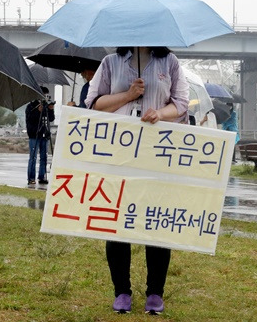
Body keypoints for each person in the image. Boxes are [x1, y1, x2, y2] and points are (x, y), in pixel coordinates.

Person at [86, 46, 189, 315]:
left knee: (156, 221)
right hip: (119, 153)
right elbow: (94, 103)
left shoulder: (170, 62)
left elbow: (180, 104)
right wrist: (129, 95)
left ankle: (155, 293)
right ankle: (122, 292)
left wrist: (159, 113)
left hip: (159, 155)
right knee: (118, 222)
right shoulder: (111, 62)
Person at [25, 86, 55, 185]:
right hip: (34, 135)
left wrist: (50, 109)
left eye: (46, 95)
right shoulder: (31, 106)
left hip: (44, 134)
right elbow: (30, 119)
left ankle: (42, 177)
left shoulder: (46, 105)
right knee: (33, 157)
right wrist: (38, 111)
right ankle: (31, 178)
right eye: (43, 94)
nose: (45, 97)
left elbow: (51, 119)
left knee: (44, 157)